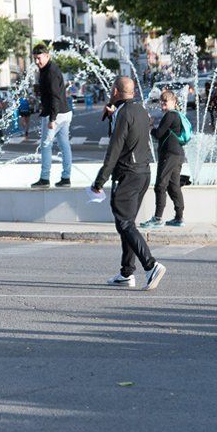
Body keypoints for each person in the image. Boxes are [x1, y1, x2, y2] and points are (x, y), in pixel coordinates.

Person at [92, 76, 166, 291]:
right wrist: (113, 117)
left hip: (127, 173)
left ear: (115, 91)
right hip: (144, 172)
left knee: (124, 222)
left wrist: (100, 180)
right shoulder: (141, 110)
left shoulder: (122, 114)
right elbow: (132, 135)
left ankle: (151, 265)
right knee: (127, 222)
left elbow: (114, 149)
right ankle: (126, 272)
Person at [140, 90, 185, 228]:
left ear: (173, 102)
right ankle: (179, 218)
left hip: (169, 155)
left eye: (165, 102)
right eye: (162, 102)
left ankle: (158, 218)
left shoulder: (170, 115)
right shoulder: (176, 115)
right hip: (177, 154)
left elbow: (158, 134)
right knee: (174, 186)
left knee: (160, 186)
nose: (163, 105)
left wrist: (150, 125)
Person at [29, 44, 72, 188]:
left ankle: (45, 178)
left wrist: (52, 119)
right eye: (34, 58)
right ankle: (66, 178)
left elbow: (55, 97)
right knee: (64, 145)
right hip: (64, 112)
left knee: (46, 145)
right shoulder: (48, 69)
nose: (36, 62)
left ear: (47, 56)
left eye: (39, 58)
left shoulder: (50, 72)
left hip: (56, 114)